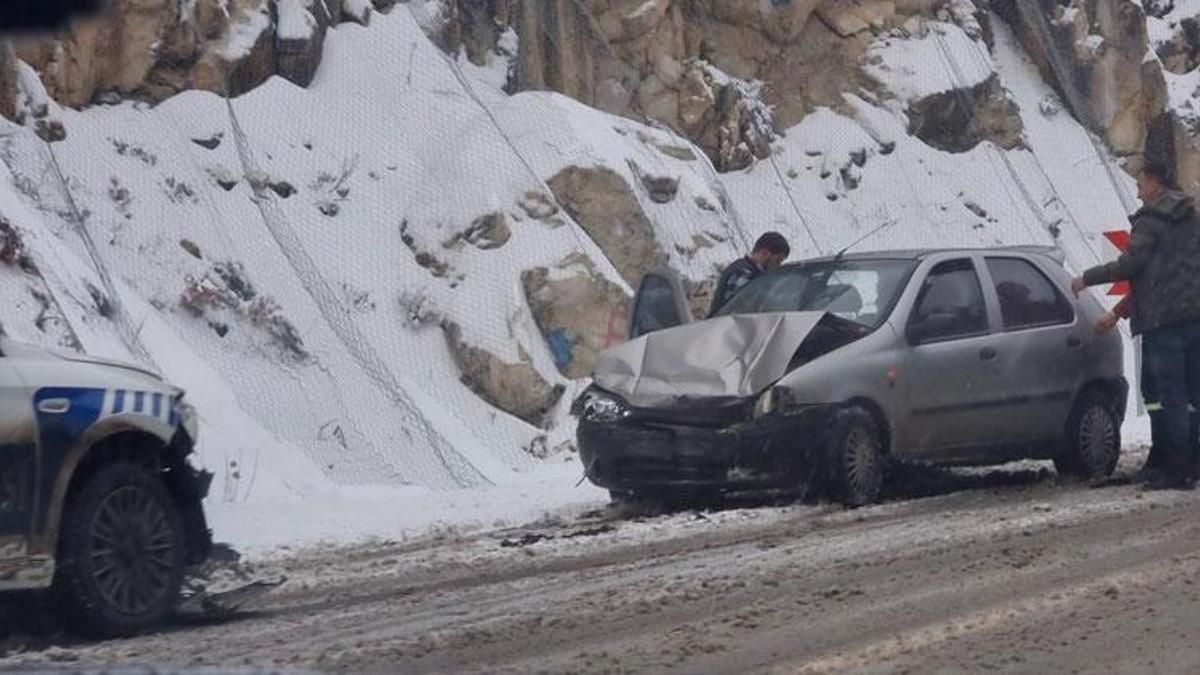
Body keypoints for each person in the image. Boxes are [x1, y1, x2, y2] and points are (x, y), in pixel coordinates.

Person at [1073, 161, 1200, 489]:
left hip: (1162, 324)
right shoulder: (1190, 218)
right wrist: (1118, 312)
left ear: (1155, 181)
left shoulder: (1151, 219)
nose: (1137, 189)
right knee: (1188, 394)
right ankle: (1181, 460)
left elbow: (1131, 265)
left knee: (1165, 395)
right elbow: (1161, 276)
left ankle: (1177, 469)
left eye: (1141, 182)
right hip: (1192, 321)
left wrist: (1087, 278)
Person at [708, 232, 790, 317]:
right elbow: (738, 309)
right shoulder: (743, 273)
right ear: (765, 254)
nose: (778, 266)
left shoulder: (750, 271)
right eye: (778, 261)